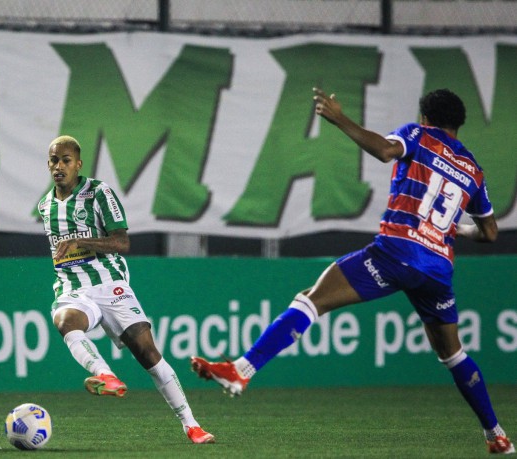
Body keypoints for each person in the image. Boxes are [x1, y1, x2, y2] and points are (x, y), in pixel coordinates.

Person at [191, 88, 513, 454]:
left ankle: (242, 370)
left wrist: (339, 119)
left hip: (398, 251)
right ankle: (496, 434)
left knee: (312, 301)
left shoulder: (419, 135)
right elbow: (489, 233)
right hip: (437, 270)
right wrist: (454, 229)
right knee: (453, 354)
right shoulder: (473, 169)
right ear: (458, 124)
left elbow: (384, 150)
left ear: (425, 118)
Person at [37, 135, 214, 444]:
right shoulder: (45, 206)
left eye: (66, 160)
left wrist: (81, 241)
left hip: (110, 284)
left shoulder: (98, 192)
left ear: (78, 164)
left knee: (147, 353)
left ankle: (191, 424)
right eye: (53, 160)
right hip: (73, 287)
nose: (59, 166)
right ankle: (104, 374)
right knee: (65, 321)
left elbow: (122, 242)